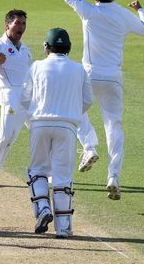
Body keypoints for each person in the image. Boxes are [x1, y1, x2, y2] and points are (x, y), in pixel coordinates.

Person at [50, 0, 144, 200]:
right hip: (112, 77)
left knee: (75, 112)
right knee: (114, 125)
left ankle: (89, 146)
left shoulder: (88, 11)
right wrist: (141, 9)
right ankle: (113, 176)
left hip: (89, 73)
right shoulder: (122, 15)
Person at [20, 28, 92, 238]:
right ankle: (63, 228)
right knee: (62, 175)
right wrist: (70, 113)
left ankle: (43, 208)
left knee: (38, 170)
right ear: (68, 48)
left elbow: (24, 99)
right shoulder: (79, 69)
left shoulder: (36, 67)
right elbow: (87, 100)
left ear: (46, 47)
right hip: (67, 126)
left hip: (39, 124)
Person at [0, 9, 32, 187]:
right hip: (10, 95)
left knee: (40, 132)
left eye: (23, 23)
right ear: (7, 24)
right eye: (17, 23)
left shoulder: (26, 50)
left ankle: (43, 173)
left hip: (29, 97)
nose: (21, 27)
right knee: (5, 136)